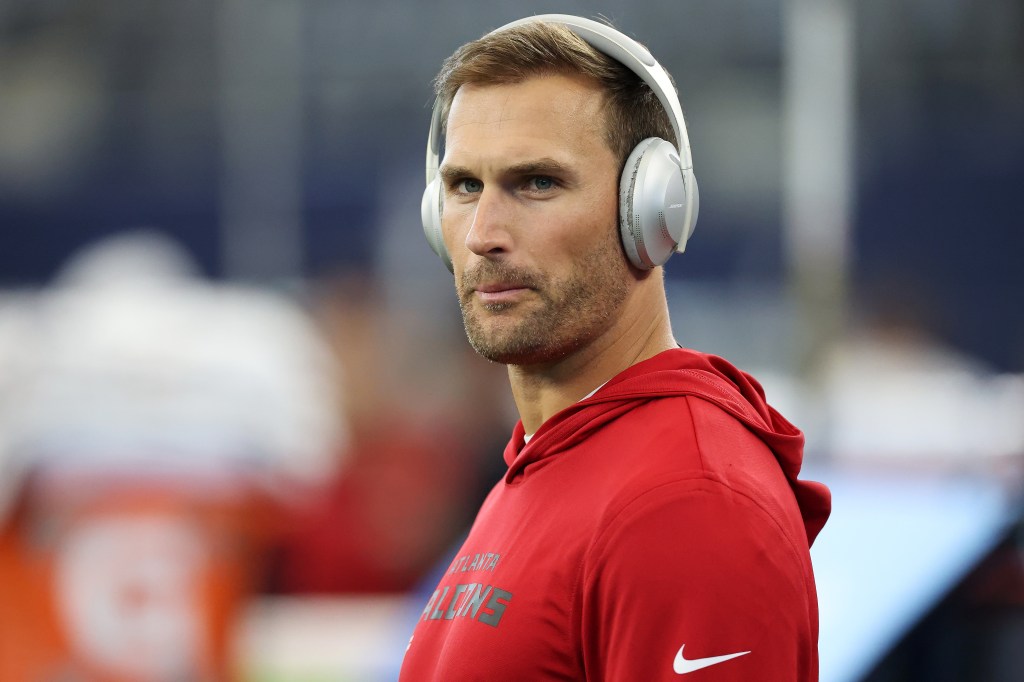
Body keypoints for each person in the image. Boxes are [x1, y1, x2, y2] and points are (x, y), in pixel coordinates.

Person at [400, 14, 831, 681]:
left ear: (651, 209)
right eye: (464, 187)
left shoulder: (687, 503)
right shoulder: (548, 465)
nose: (484, 232)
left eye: (537, 183)